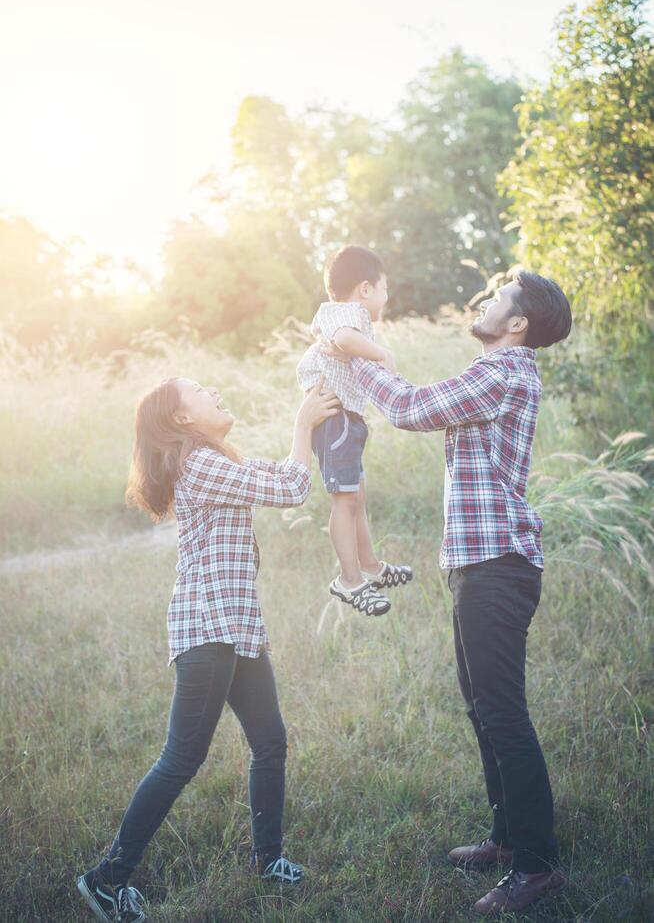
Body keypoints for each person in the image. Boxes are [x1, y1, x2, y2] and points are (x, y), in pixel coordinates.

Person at [325, 271, 572, 917]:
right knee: (482, 708)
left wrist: (357, 352)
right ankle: (507, 836)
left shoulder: (508, 371)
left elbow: (407, 408)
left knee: (502, 712)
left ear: (518, 323)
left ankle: (537, 864)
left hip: (498, 566)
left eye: (498, 299)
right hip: (477, 563)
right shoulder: (494, 372)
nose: (485, 304)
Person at [76, 377, 340, 923]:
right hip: (208, 628)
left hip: (236, 626)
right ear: (181, 419)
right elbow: (291, 488)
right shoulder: (198, 464)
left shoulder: (216, 461)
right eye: (200, 390)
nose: (216, 391)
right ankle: (106, 880)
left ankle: (268, 861)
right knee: (182, 758)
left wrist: (309, 430)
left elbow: (278, 476)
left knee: (270, 742)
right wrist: (301, 423)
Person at [297, 244, 413, 618]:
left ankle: (372, 567)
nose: (386, 297)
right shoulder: (345, 314)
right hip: (334, 419)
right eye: (384, 289)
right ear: (365, 289)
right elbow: (344, 341)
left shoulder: (352, 317)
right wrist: (384, 355)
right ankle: (348, 580)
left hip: (346, 419)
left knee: (356, 498)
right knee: (345, 502)